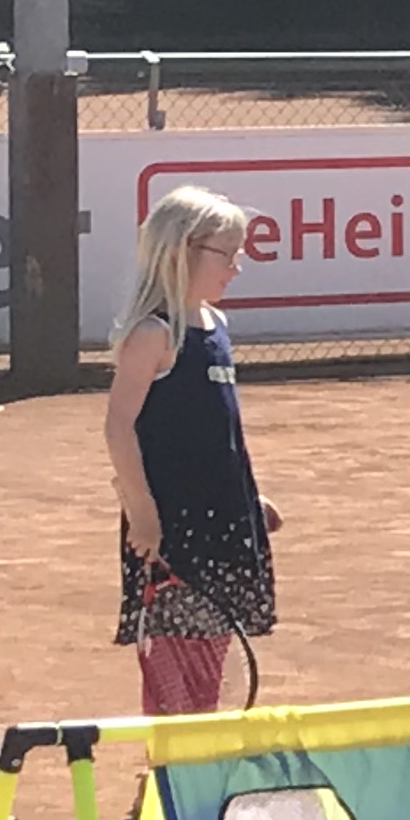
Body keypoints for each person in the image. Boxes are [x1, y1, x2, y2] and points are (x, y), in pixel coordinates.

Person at [105, 184, 279, 715]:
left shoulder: (217, 326)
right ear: (183, 250)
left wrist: (248, 499)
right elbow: (119, 428)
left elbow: (214, 433)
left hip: (223, 526)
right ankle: (171, 764)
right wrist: (143, 515)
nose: (236, 268)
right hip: (171, 533)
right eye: (227, 254)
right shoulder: (153, 334)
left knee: (209, 669)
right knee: (173, 685)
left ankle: (199, 760)